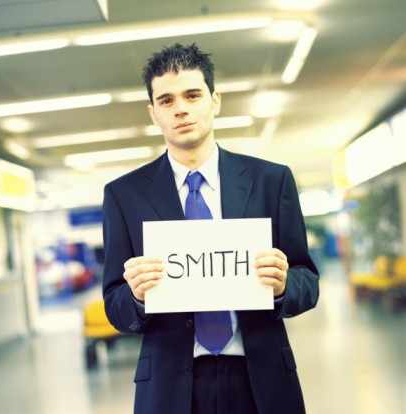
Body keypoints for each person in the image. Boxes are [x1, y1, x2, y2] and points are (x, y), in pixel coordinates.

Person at [102, 42, 319, 414]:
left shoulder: (270, 181)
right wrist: (137, 296)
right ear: (153, 113)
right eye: (166, 101)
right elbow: (115, 304)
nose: (181, 108)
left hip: (261, 380)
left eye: (192, 94)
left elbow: (308, 281)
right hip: (172, 387)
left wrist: (284, 285)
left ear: (215, 100)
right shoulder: (125, 195)